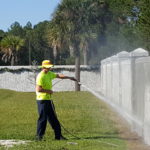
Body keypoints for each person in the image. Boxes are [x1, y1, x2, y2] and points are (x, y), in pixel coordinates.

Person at [35, 60, 77, 141]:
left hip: (48, 100)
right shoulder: (41, 76)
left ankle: (58, 136)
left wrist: (69, 77)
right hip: (42, 100)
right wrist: (49, 91)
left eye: (50, 67)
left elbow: (58, 75)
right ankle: (39, 137)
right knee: (43, 119)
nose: (50, 68)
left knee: (53, 118)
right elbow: (38, 89)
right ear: (44, 67)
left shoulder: (49, 74)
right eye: (48, 67)